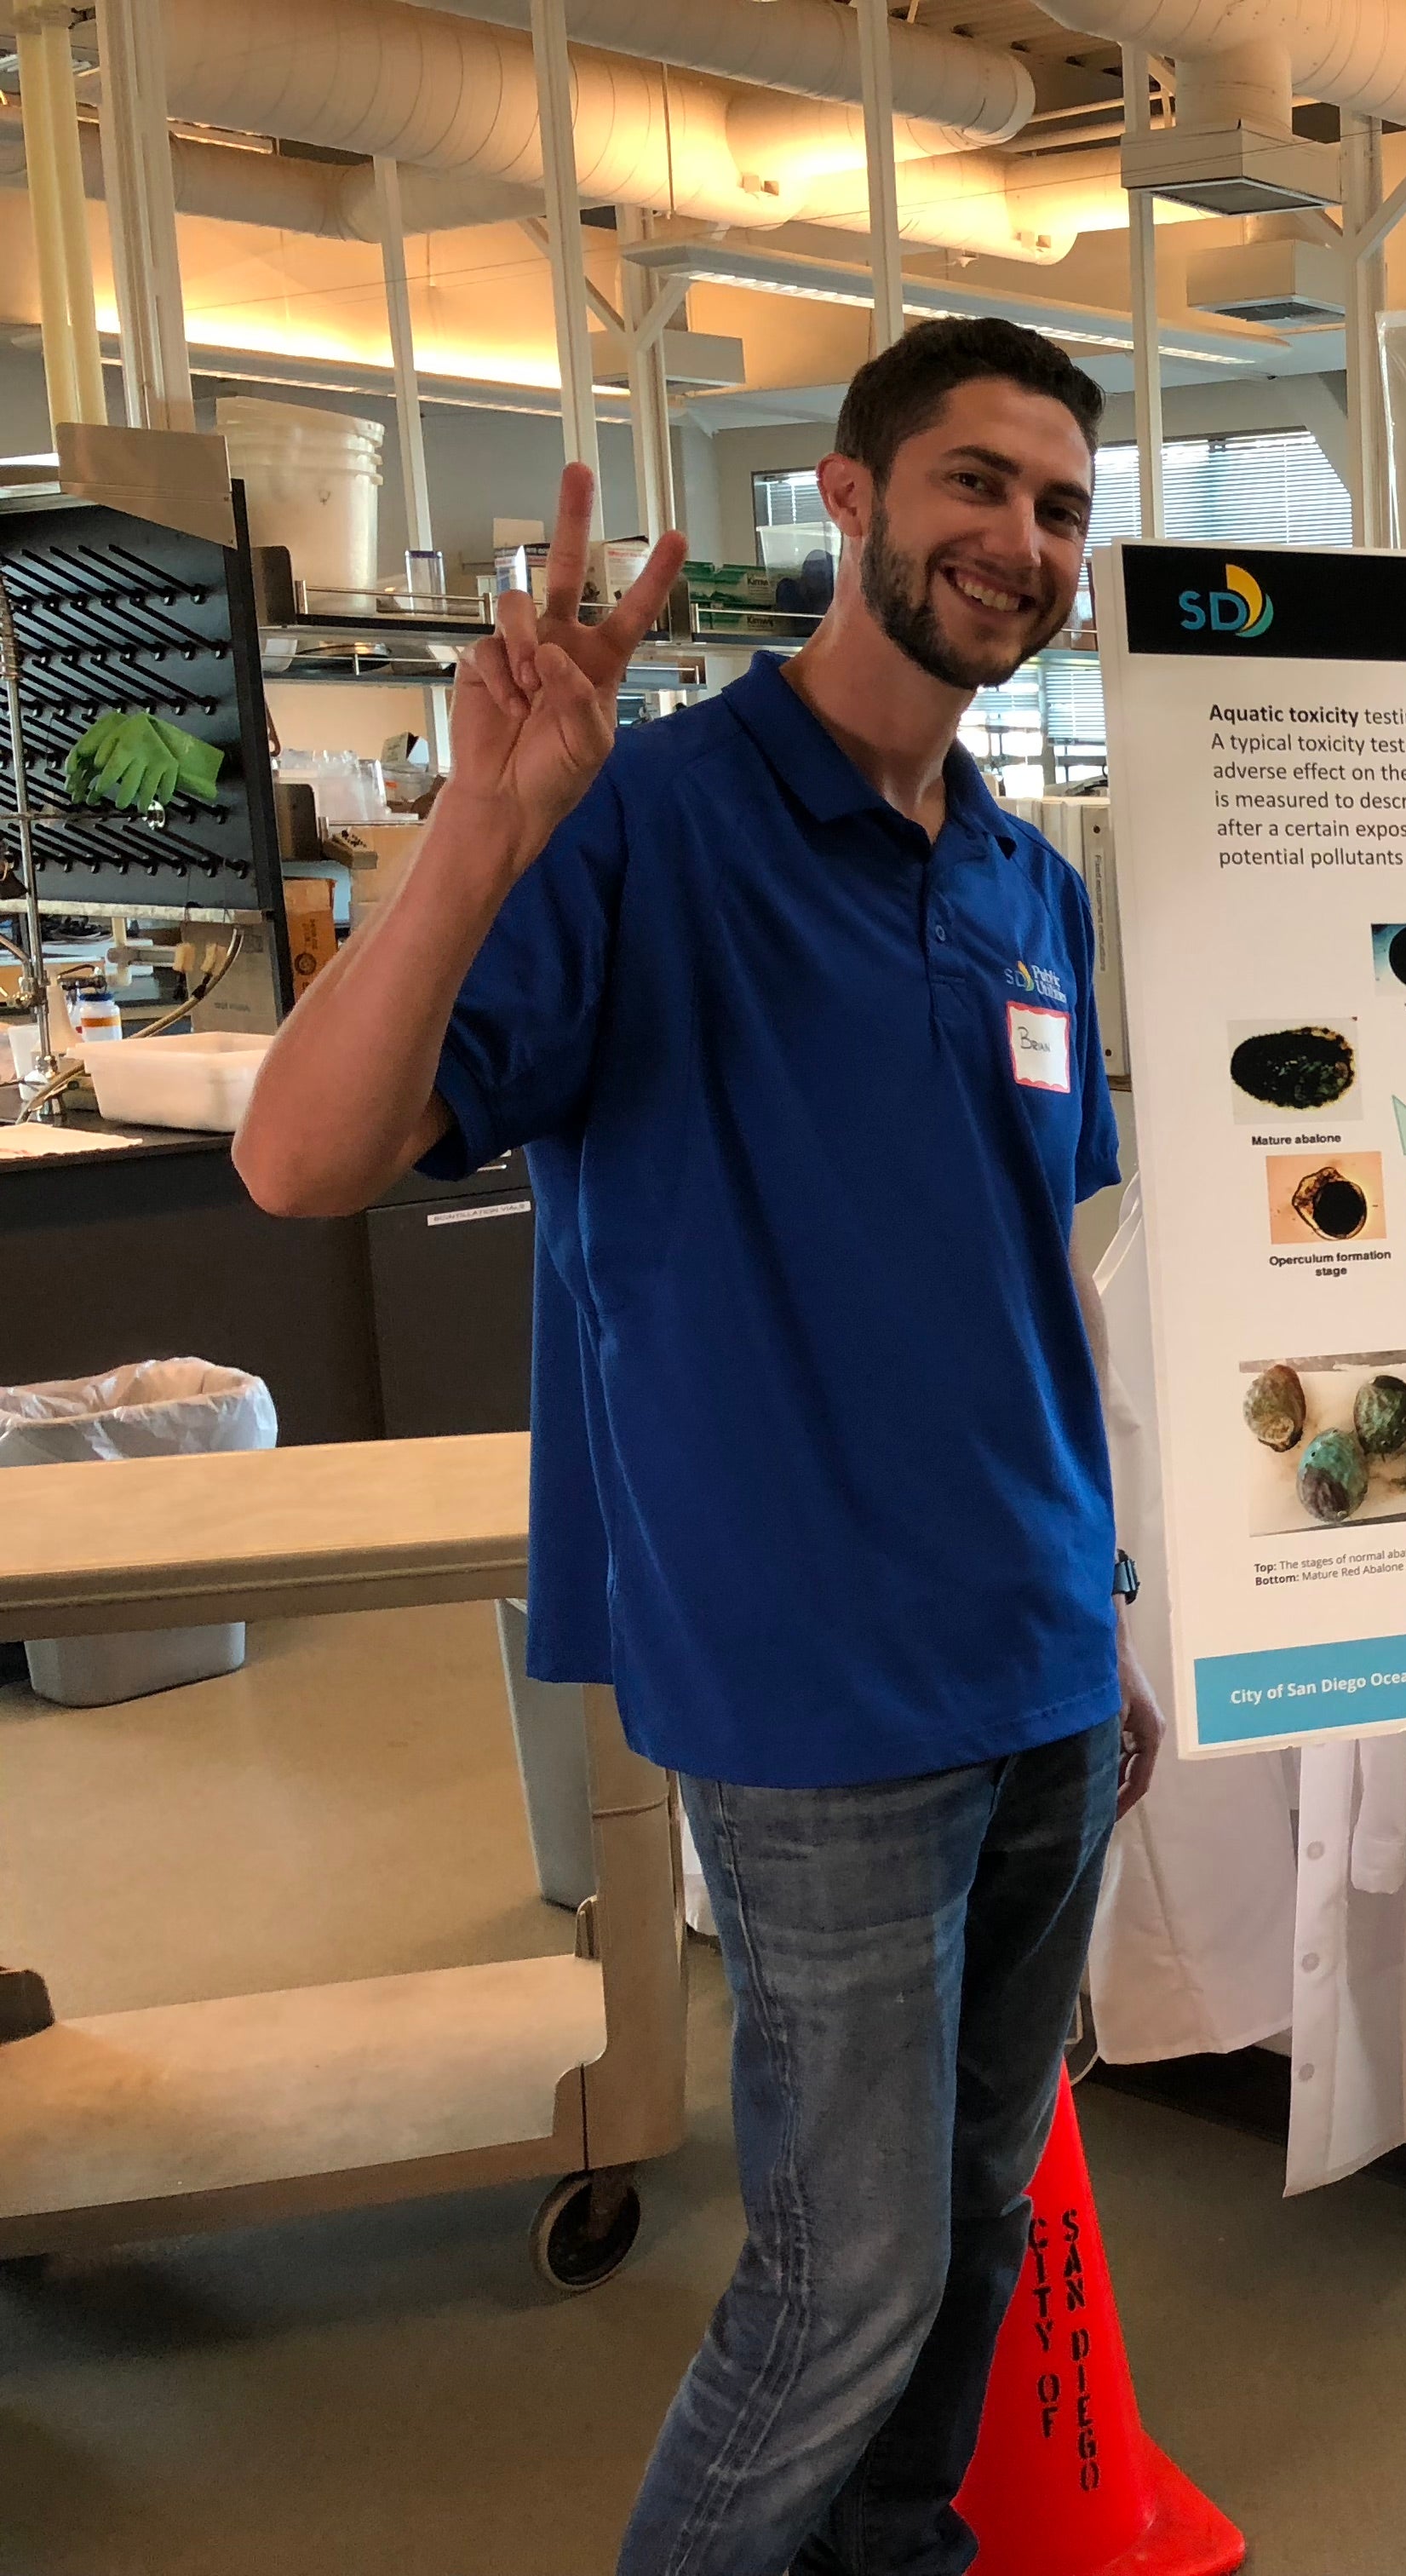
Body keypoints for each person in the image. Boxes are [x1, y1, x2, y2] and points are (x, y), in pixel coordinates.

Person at [234, 318, 1154, 2576]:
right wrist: (482, 822)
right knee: (839, 2281)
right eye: (970, 485)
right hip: (808, 1681)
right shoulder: (644, 823)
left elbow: (1032, 1295)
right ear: (842, 502)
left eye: (1053, 504)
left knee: (963, 2214)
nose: (1013, 541)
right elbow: (298, 1156)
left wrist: (1107, 1612)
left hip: (1036, 1651)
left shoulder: (1027, 886)